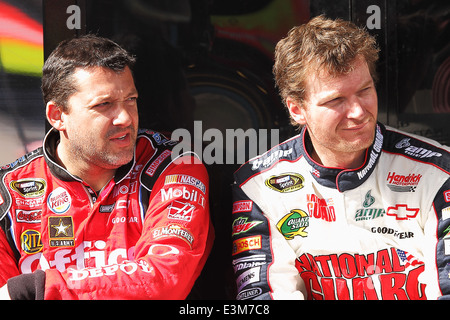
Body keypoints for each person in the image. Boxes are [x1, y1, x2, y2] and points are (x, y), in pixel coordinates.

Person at [231, 15, 450, 300]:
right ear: (297, 109)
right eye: (336, 100)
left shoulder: (438, 172)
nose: (358, 112)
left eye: (364, 91)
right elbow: (262, 298)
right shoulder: (258, 185)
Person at [0, 35, 214, 299]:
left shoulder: (174, 165)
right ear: (57, 116)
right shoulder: (9, 194)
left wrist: (35, 290)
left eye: (131, 100)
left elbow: (165, 277)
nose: (125, 117)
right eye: (104, 104)